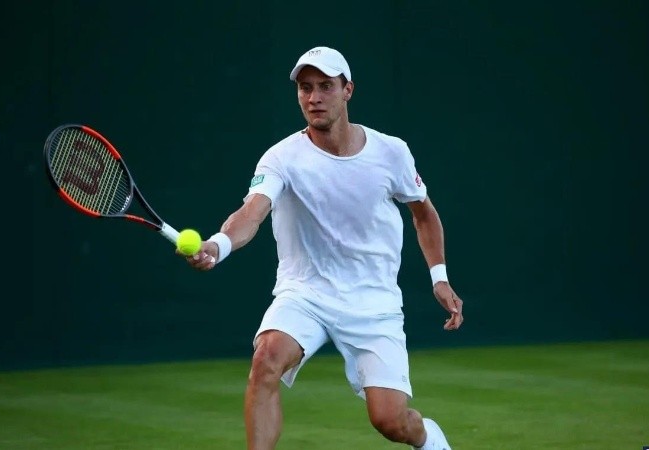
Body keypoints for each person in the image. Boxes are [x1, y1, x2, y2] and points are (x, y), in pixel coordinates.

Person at [182, 46, 463, 450]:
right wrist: (218, 244)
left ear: (347, 90)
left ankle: (432, 441)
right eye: (305, 88)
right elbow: (251, 213)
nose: (314, 97)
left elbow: (423, 213)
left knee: (391, 421)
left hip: (373, 301)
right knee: (265, 361)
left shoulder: (391, 152)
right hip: (306, 293)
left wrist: (440, 277)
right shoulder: (280, 158)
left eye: (325, 87)